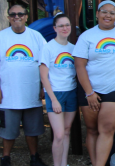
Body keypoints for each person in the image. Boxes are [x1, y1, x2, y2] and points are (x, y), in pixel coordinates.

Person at [0, 4, 48, 166]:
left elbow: (45, 63)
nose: (16, 17)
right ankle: (6, 158)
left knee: (33, 130)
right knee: (8, 131)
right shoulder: (0, 37)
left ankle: (34, 157)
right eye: (13, 14)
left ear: (26, 17)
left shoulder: (36, 37)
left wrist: (42, 87)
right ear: (8, 17)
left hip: (31, 92)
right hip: (8, 94)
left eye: (20, 14)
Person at [73, 0, 115, 166]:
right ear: (97, 14)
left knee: (106, 129)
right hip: (89, 90)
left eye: (112, 13)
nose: (108, 15)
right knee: (92, 130)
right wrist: (89, 93)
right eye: (104, 12)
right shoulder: (86, 36)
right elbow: (79, 66)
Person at [38, 14, 77, 166]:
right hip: (55, 94)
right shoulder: (48, 48)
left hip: (71, 92)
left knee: (67, 131)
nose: (64, 28)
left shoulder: (73, 48)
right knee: (59, 134)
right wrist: (53, 99)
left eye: (67, 25)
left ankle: (64, 163)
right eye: (61, 25)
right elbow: (44, 77)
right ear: (54, 28)